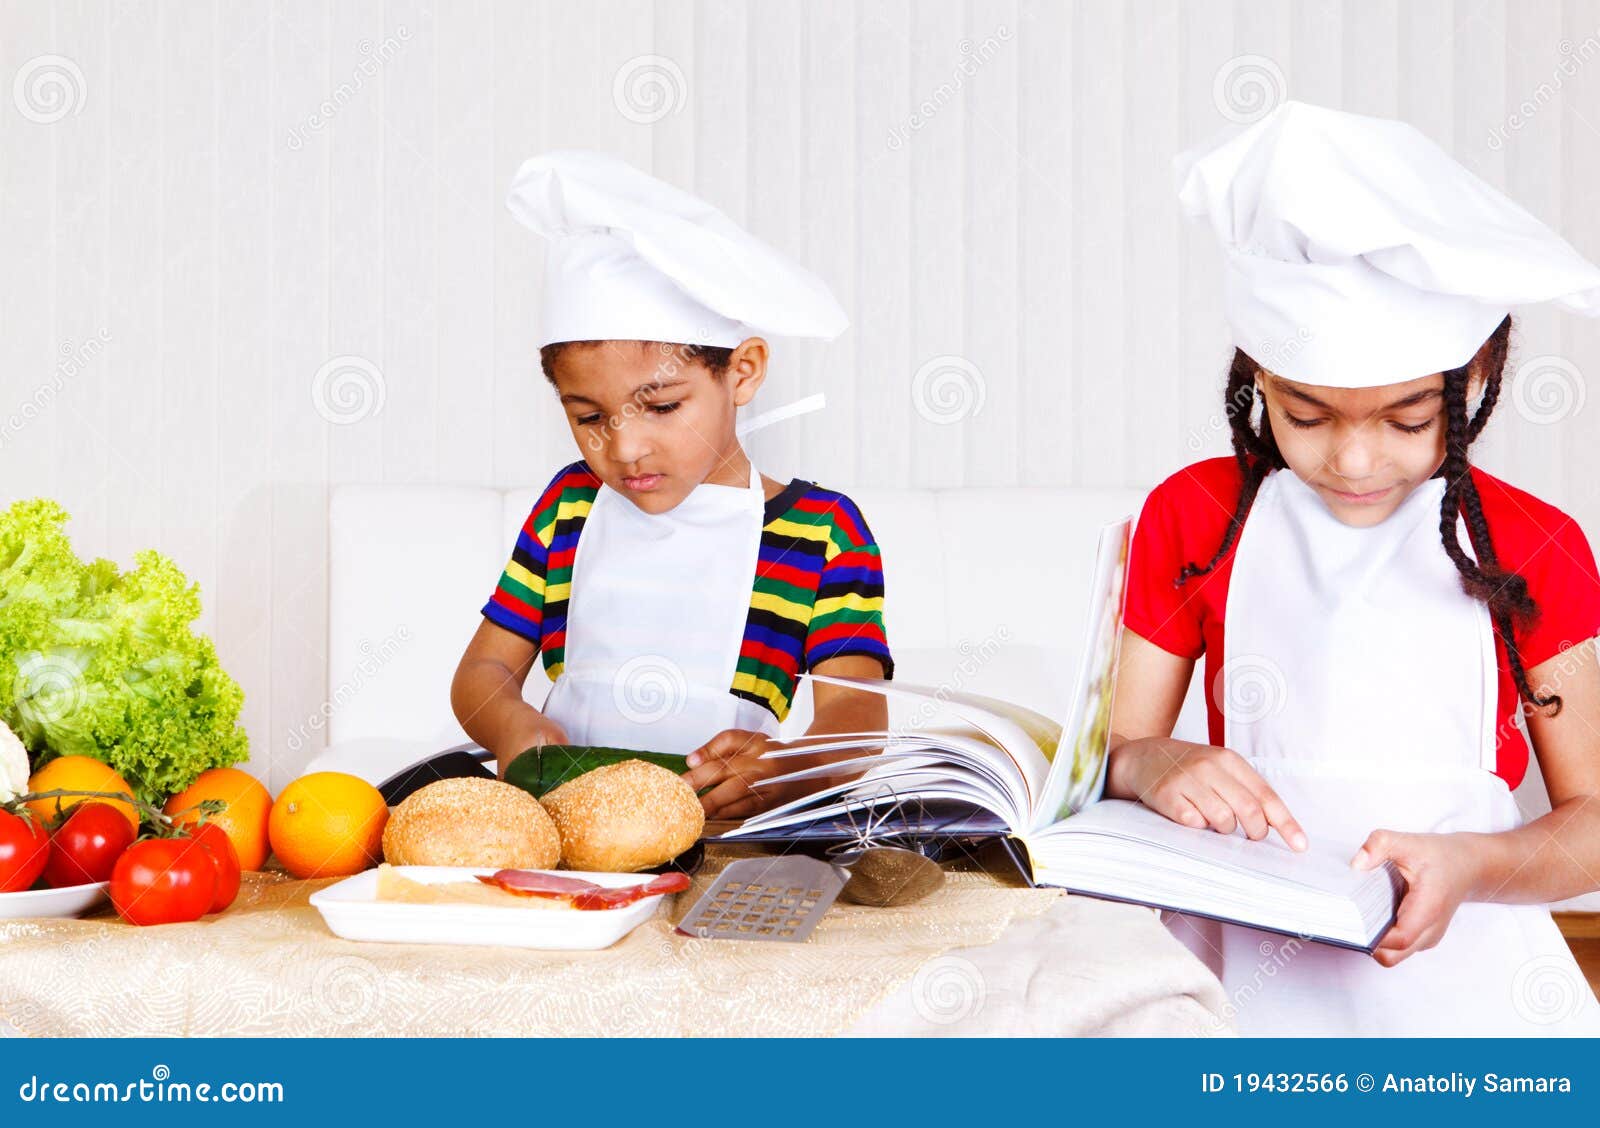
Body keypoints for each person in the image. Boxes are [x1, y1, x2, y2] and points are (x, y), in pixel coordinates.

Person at [1106, 102, 1600, 1035]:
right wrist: (1155, 763)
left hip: (1468, 992)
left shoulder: (1532, 546)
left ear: (1478, 373)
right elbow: (1113, 759)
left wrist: (1474, 865)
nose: (1355, 461)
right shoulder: (1195, 517)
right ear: (1257, 376)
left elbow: (1594, 820)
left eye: (1409, 421)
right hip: (1229, 983)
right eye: (1307, 415)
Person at [452, 151, 892, 821]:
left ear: (741, 372)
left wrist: (786, 768)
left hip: (723, 833)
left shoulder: (822, 533)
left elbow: (857, 715)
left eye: (661, 407)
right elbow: (482, 675)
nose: (624, 448)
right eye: (589, 417)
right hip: (566, 826)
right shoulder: (566, 508)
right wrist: (510, 725)